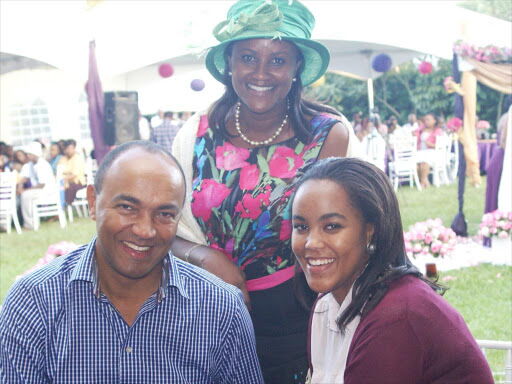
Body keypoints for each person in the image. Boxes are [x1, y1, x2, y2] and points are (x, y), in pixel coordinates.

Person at [171, 1, 360, 382]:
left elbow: (355, 233)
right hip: (205, 315)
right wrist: (204, 257)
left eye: (277, 60)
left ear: (296, 69)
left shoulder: (328, 137)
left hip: (300, 323)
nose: (261, 73)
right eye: (247, 57)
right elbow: (163, 231)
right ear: (228, 63)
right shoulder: (195, 135)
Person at [0, 141, 263, 383]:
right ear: (93, 202)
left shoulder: (220, 309)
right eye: (127, 207)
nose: (145, 230)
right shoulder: (34, 302)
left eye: (164, 213)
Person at [290, 157, 494, 384]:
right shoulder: (327, 303)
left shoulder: (397, 316)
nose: (311, 243)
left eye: (332, 226)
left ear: (371, 231)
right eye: (301, 227)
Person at [18, 141, 56, 230]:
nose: (28, 156)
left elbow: (41, 185)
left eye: (30, 154)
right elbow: (24, 178)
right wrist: (20, 187)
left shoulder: (43, 165)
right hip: (38, 191)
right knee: (20, 195)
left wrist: (25, 190)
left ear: (35, 154)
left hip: (47, 191)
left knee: (26, 195)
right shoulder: (30, 165)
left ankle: (29, 225)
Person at [415, 113, 444, 188]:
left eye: (428, 120)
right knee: (418, 164)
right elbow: (414, 135)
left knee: (424, 162)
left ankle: (422, 182)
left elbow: (441, 146)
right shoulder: (421, 129)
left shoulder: (438, 131)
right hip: (421, 152)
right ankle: (425, 182)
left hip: (433, 153)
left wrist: (431, 145)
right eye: (425, 120)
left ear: (434, 121)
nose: (426, 121)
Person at [58, 139, 86, 205]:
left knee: (68, 188)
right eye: (68, 148)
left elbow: (74, 174)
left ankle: (65, 205)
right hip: (65, 182)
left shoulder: (77, 158)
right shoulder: (63, 158)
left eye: (71, 148)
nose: (69, 150)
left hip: (78, 183)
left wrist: (65, 177)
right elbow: (59, 170)